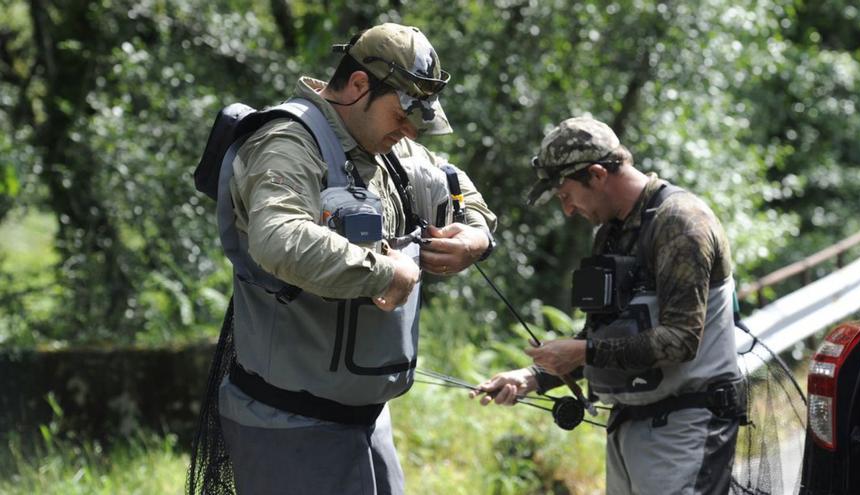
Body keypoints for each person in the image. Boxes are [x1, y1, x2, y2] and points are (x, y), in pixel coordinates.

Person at [217, 23, 496, 495]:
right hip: (288, 428)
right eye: (403, 113)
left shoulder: (394, 150)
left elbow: (459, 191)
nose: (411, 129)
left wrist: (475, 238)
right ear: (360, 85)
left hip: (368, 425)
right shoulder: (286, 143)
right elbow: (279, 238)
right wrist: (386, 272)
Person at [471, 116, 743, 494]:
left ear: (597, 175)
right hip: (628, 428)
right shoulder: (609, 234)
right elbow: (601, 335)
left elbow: (681, 340)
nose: (567, 210)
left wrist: (585, 351)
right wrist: (534, 377)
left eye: (566, 195)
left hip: (687, 427)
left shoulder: (681, 222)